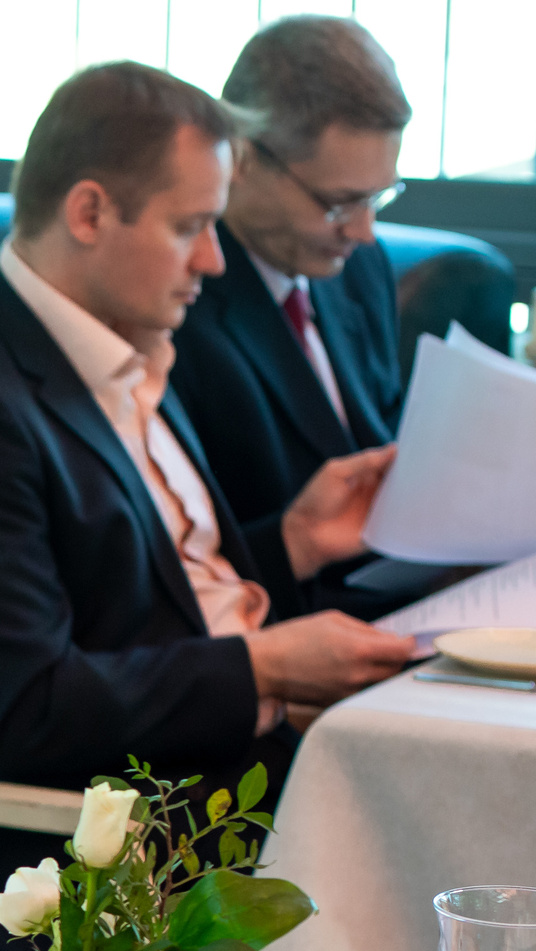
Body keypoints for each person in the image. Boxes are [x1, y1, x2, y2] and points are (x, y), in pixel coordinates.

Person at [0, 62, 414, 951]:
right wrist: (266, 666)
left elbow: (142, 600)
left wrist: (294, 541)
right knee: (462, 855)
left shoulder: (117, 344)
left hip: (234, 778)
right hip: (128, 850)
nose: (215, 259)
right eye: (191, 226)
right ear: (88, 214)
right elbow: (28, 708)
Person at [168, 19, 413, 599]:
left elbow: (383, 433)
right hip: (281, 630)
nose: (364, 231)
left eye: (378, 196)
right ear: (242, 159)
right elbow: (169, 571)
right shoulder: (175, 297)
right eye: (338, 203)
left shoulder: (357, 268)